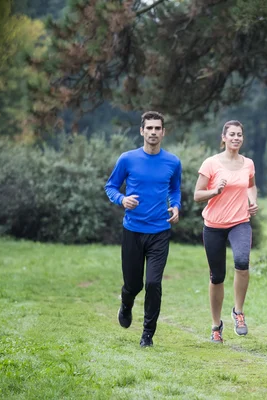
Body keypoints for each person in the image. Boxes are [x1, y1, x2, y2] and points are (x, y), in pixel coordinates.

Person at [105, 111, 182, 348]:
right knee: (133, 285)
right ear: (142, 131)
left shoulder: (173, 162)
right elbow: (111, 186)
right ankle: (126, 303)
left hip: (159, 231)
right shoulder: (127, 159)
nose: (153, 132)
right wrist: (122, 199)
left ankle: (147, 334)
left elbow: (175, 189)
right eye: (149, 128)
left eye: (157, 128)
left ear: (163, 132)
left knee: (153, 284)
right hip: (133, 231)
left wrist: (176, 206)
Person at [194, 120, 258, 343]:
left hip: (240, 221)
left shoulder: (248, 163)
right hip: (213, 225)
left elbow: (250, 184)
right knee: (217, 276)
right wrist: (215, 190)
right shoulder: (211, 163)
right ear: (223, 138)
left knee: (242, 262)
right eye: (231, 134)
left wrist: (253, 201)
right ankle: (215, 325)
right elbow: (197, 194)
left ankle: (238, 312)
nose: (236, 138)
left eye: (239, 134)